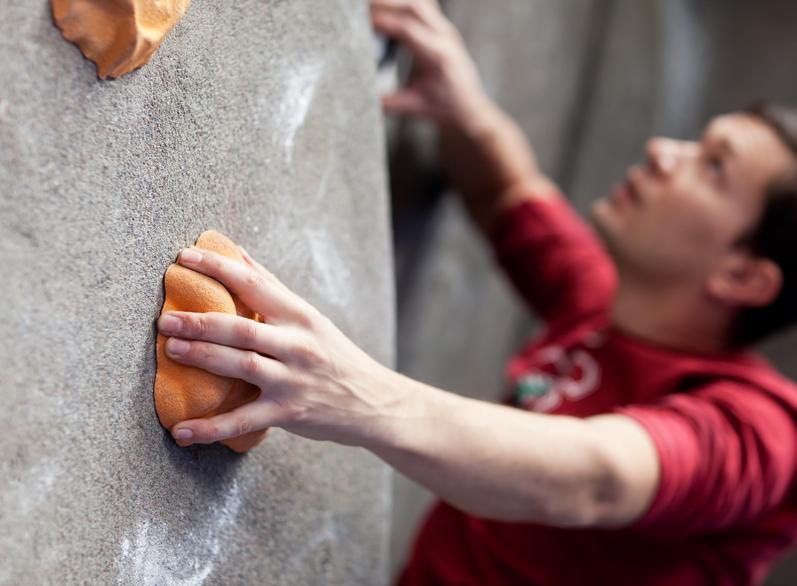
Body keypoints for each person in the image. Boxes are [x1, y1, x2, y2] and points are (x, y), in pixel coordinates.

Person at [156, 1, 797, 583]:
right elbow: (512, 198)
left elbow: (600, 478)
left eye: (713, 166)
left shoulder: (761, 432)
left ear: (744, 276)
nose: (663, 151)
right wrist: (465, 107)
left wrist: (355, 393)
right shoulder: (608, 311)